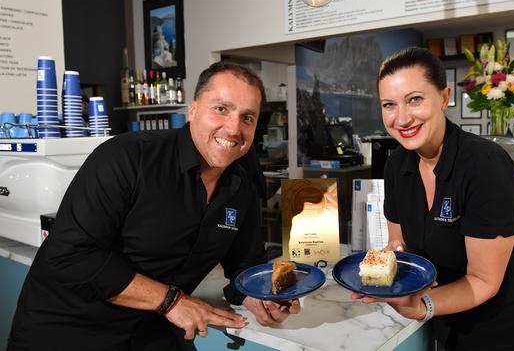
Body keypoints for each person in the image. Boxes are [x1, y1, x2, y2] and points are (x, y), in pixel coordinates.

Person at [8, 62, 300, 351]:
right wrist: (171, 300)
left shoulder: (243, 179)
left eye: (247, 117)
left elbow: (244, 263)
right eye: (221, 109)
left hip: (155, 333)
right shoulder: (127, 157)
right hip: (69, 331)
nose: (234, 128)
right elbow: (70, 256)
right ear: (194, 109)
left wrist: (261, 296)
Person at [352, 47, 514, 350]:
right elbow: (400, 245)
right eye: (389, 105)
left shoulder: (484, 165)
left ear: (443, 97)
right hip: (452, 322)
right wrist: (385, 267)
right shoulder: (397, 166)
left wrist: (421, 304)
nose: (401, 118)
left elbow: (484, 281)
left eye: (414, 99)